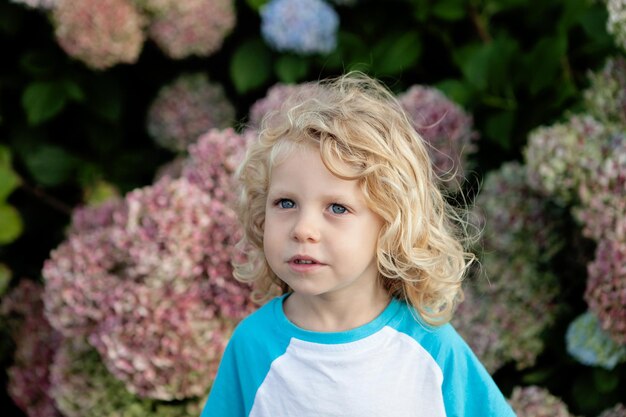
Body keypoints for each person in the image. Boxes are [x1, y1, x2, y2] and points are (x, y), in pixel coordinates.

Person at [201, 72, 517, 417]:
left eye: (337, 208)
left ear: (390, 224)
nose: (303, 229)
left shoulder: (431, 347)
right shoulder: (252, 345)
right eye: (286, 203)